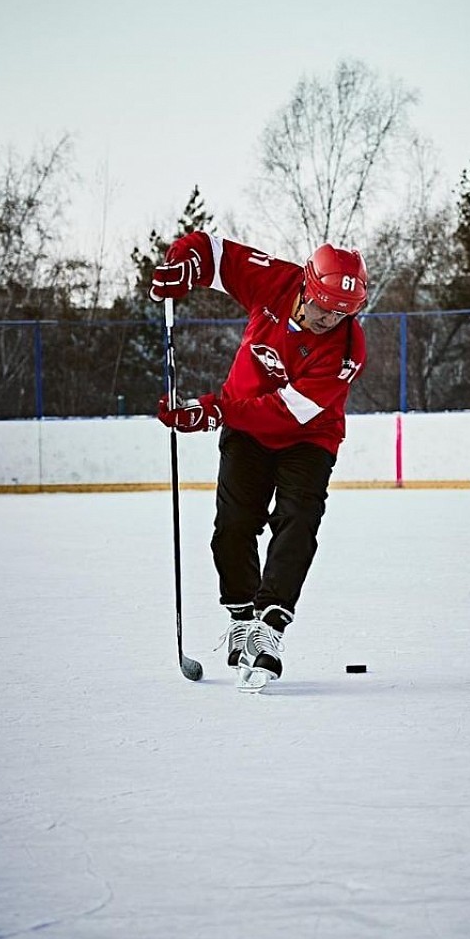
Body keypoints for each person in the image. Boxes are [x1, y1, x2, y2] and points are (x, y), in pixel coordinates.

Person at [149, 231, 367, 691]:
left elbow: (288, 412)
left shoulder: (347, 348)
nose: (330, 318)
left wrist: (215, 410)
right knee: (232, 525)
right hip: (245, 431)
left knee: (298, 519)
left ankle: (270, 625)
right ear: (306, 286)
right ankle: (242, 617)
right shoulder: (276, 281)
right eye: (325, 305)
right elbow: (215, 251)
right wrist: (185, 263)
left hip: (308, 438)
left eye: (343, 311)